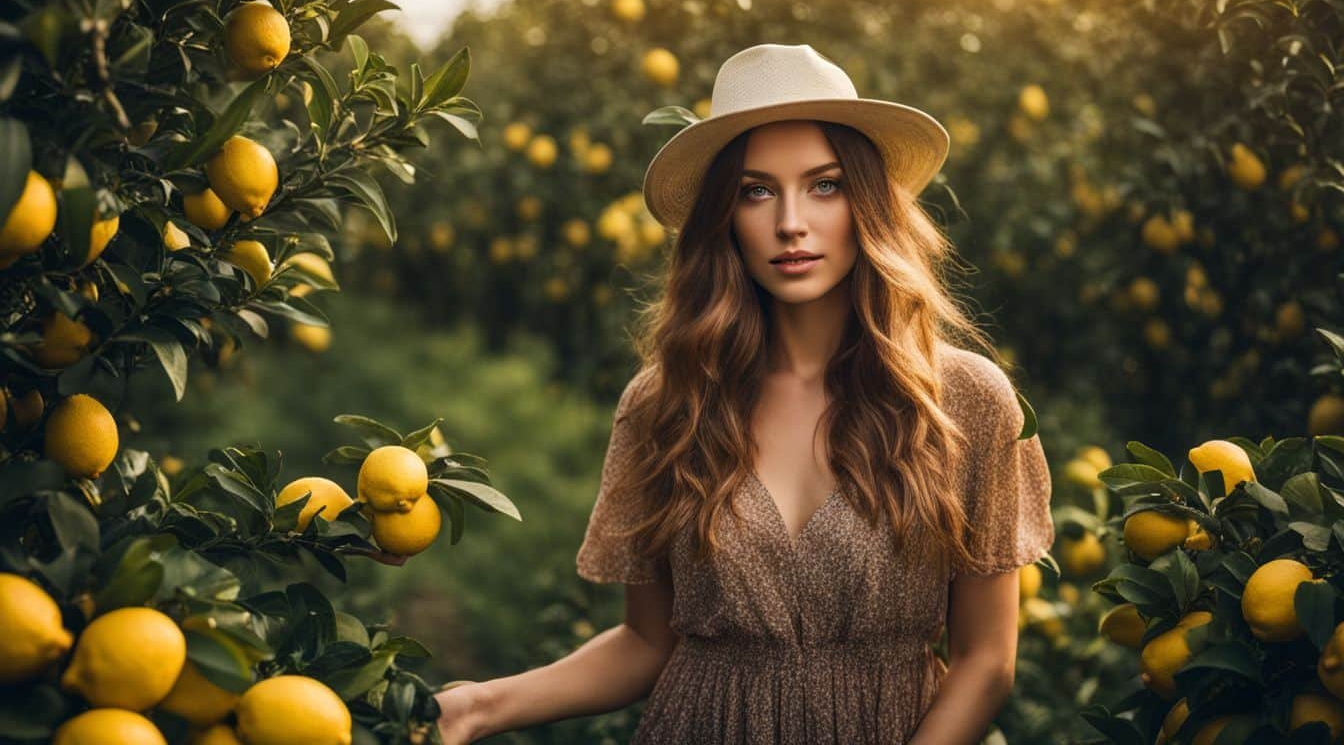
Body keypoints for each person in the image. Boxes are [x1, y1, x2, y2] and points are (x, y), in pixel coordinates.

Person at [435, 42, 1055, 745]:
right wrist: (479, 706)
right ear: (723, 218)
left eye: (824, 185)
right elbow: (646, 643)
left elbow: (985, 661)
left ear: (868, 202)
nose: (791, 221)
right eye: (756, 191)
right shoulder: (668, 404)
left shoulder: (963, 401)